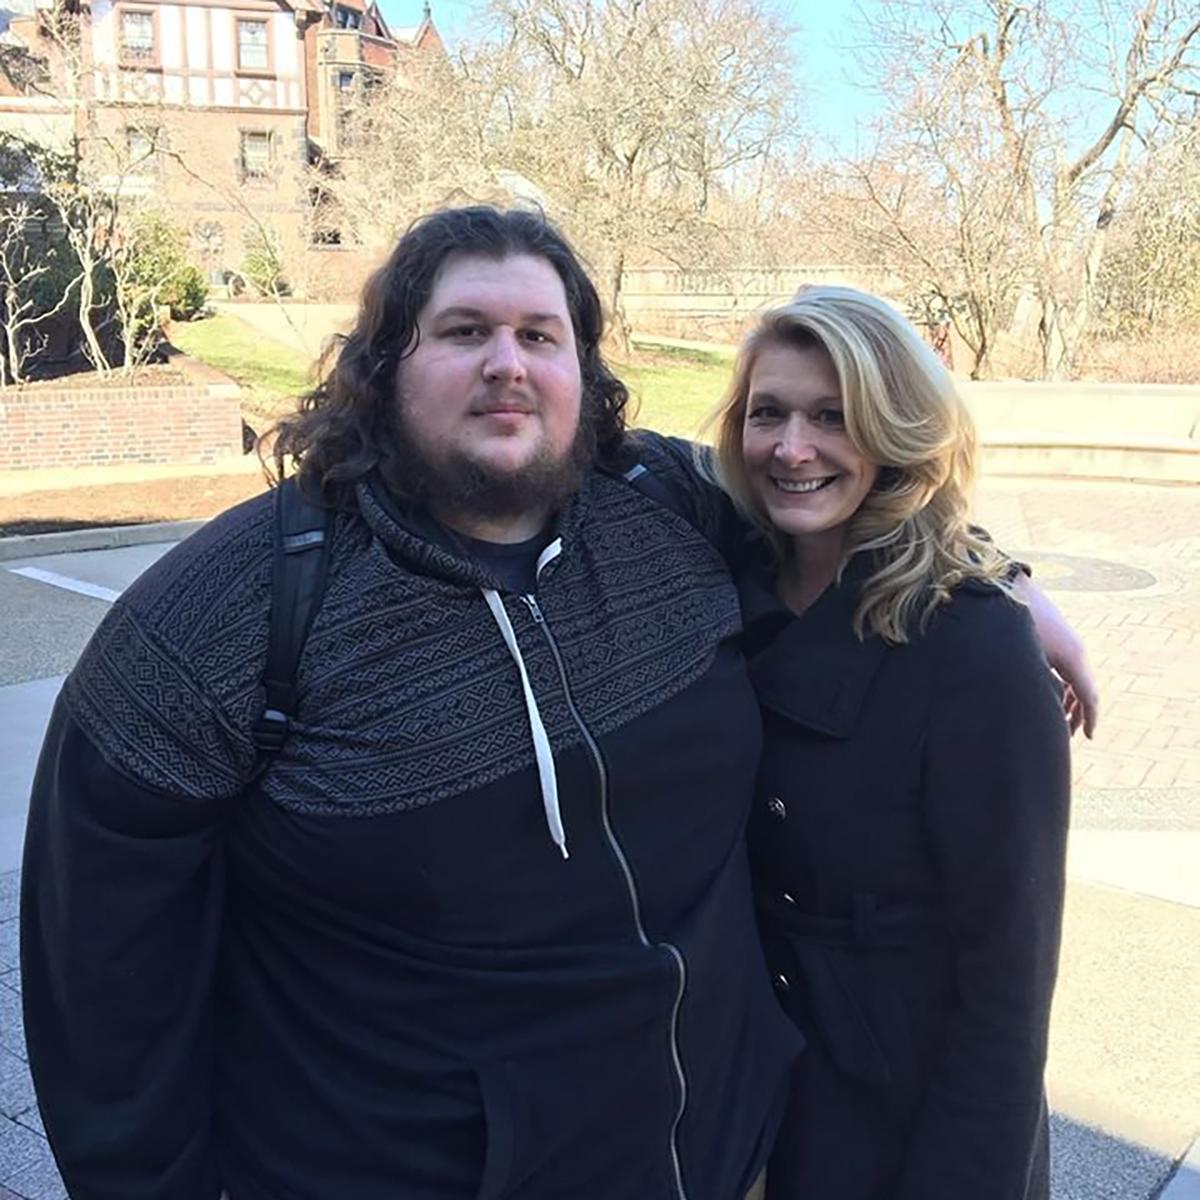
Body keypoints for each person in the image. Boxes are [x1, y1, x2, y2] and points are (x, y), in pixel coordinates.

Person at [21, 207, 1090, 1200]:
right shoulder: (226, 615)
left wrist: (998, 586)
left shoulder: (663, 507)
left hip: (726, 1151)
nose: (507, 364)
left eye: (542, 336)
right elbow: (103, 978)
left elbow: (841, 491)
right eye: (464, 330)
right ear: (386, 363)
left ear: (582, 368)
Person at [708, 287, 1071, 1199]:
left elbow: (1009, 982)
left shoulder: (972, 643)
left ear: (897, 429)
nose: (793, 448)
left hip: (908, 1121)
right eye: (770, 414)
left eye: (835, 417)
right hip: (750, 1105)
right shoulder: (718, 578)